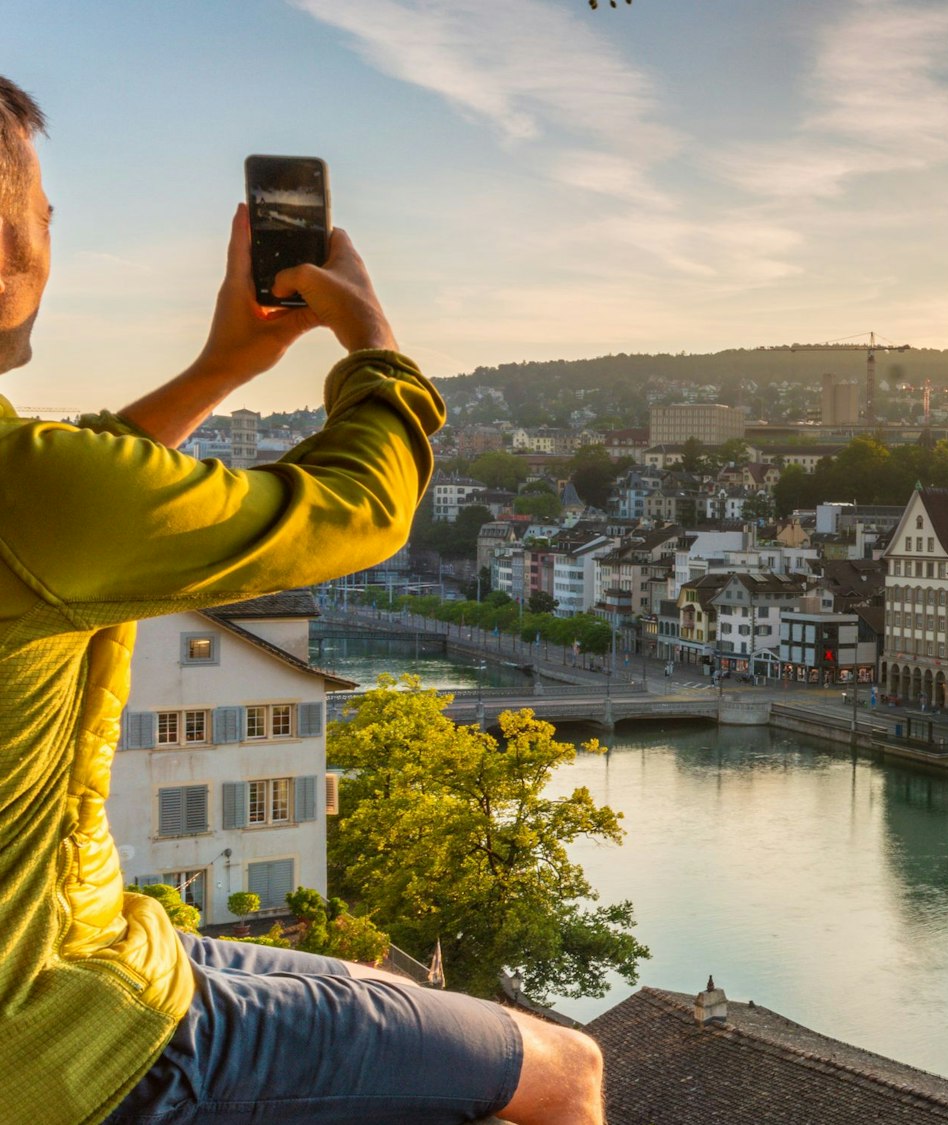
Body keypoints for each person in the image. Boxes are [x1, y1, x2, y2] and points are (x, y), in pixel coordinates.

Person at [0, 77, 603, 1125]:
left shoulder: (40, 495)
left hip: (90, 947)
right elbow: (362, 508)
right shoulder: (35, 497)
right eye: (43, 215)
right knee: (562, 1073)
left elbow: (78, 504)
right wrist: (375, 348)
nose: (50, 242)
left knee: (399, 993)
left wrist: (221, 367)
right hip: (63, 1038)